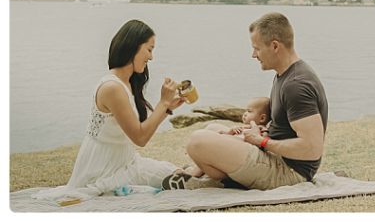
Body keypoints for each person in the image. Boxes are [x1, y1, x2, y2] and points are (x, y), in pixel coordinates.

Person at [164, 13, 328, 191]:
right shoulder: (284, 75)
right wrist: (261, 132)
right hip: (275, 157)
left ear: (274, 46)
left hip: (288, 172)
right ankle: (213, 176)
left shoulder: (296, 85)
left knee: (197, 142)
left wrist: (262, 142)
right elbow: (286, 129)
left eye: (257, 48)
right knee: (212, 129)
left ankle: (206, 178)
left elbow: (312, 148)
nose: (253, 55)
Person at [32, 20, 186, 202]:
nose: (151, 57)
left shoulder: (127, 82)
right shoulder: (112, 87)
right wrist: (163, 103)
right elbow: (140, 138)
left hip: (126, 162)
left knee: (178, 172)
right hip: (104, 170)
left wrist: (166, 107)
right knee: (180, 180)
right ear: (133, 47)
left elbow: (138, 131)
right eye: (149, 49)